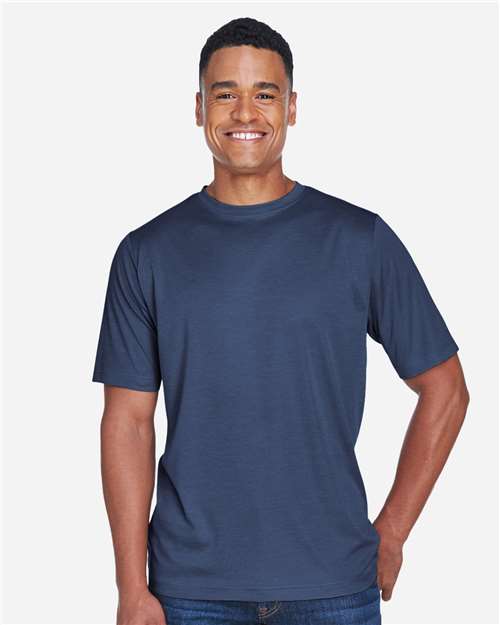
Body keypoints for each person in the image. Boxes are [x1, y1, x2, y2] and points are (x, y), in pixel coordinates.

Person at [92, 16, 470, 625]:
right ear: (199, 108)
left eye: (265, 94)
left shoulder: (359, 239)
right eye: (225, 94)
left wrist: (394, 529)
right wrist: (130, 588)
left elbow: (445, 388)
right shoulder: (147, 253)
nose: (245, 112)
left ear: (292, 108)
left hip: (334, 588)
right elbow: (128, 422)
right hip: (188, 592)